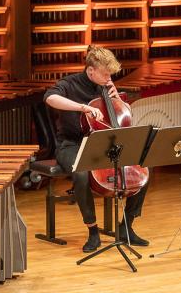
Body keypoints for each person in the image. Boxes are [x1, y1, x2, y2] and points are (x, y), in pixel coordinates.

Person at [44, 45, 149, 253]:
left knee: (142, 169)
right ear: (90, 70)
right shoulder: (69, 83)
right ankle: (92, 231)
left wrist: (117, 98)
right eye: (105, 74)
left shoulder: (106, 87)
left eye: (110, 74)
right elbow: (49, 98)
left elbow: (123, 117)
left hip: (106, 143)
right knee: (82, 175)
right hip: (73, 144)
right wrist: (83, 107)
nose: (108, 78)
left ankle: (126, 226)